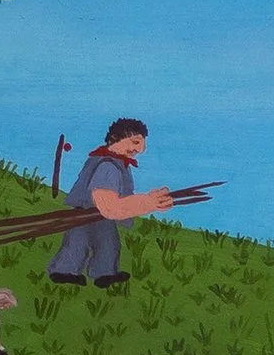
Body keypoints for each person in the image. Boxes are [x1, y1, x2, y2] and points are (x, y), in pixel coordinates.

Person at [48, 118, 177, 288]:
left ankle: (104, 273)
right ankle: (65, 272)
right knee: (77, 242)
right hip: (86, 213)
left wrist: (149, 201)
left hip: (99, 216)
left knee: (108, 243)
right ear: (115, 138)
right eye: (135, 142)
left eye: (142, 144)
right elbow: (109, 206)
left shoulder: (116, 162)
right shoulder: (107, 166)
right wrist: (148, 203)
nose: (141, 149)